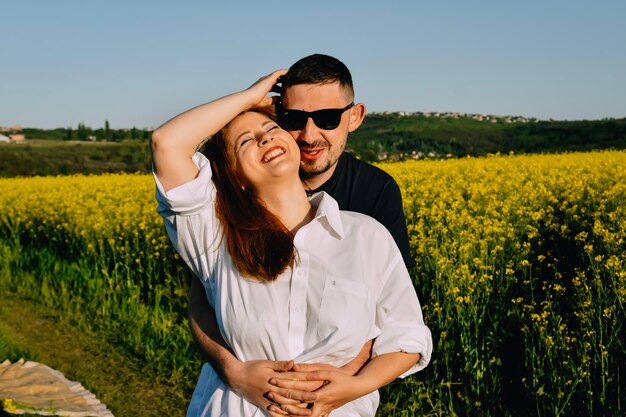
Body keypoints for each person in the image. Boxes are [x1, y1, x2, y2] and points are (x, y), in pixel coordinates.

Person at [151, 69, 432, 417]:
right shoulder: (216, 238)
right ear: (234, 175)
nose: (265, 140)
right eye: (246, 142)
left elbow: (406, 335)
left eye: (271, 130)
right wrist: (250, 96)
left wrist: (354, 385)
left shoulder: (367, 235)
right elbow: (167, 143)